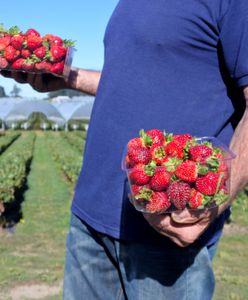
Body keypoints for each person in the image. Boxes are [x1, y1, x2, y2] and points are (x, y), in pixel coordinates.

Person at [1, 0, 248, 299]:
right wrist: (68, 76)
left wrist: (211, 207)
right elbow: (127, 81)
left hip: (166, 228)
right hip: (89, 216)